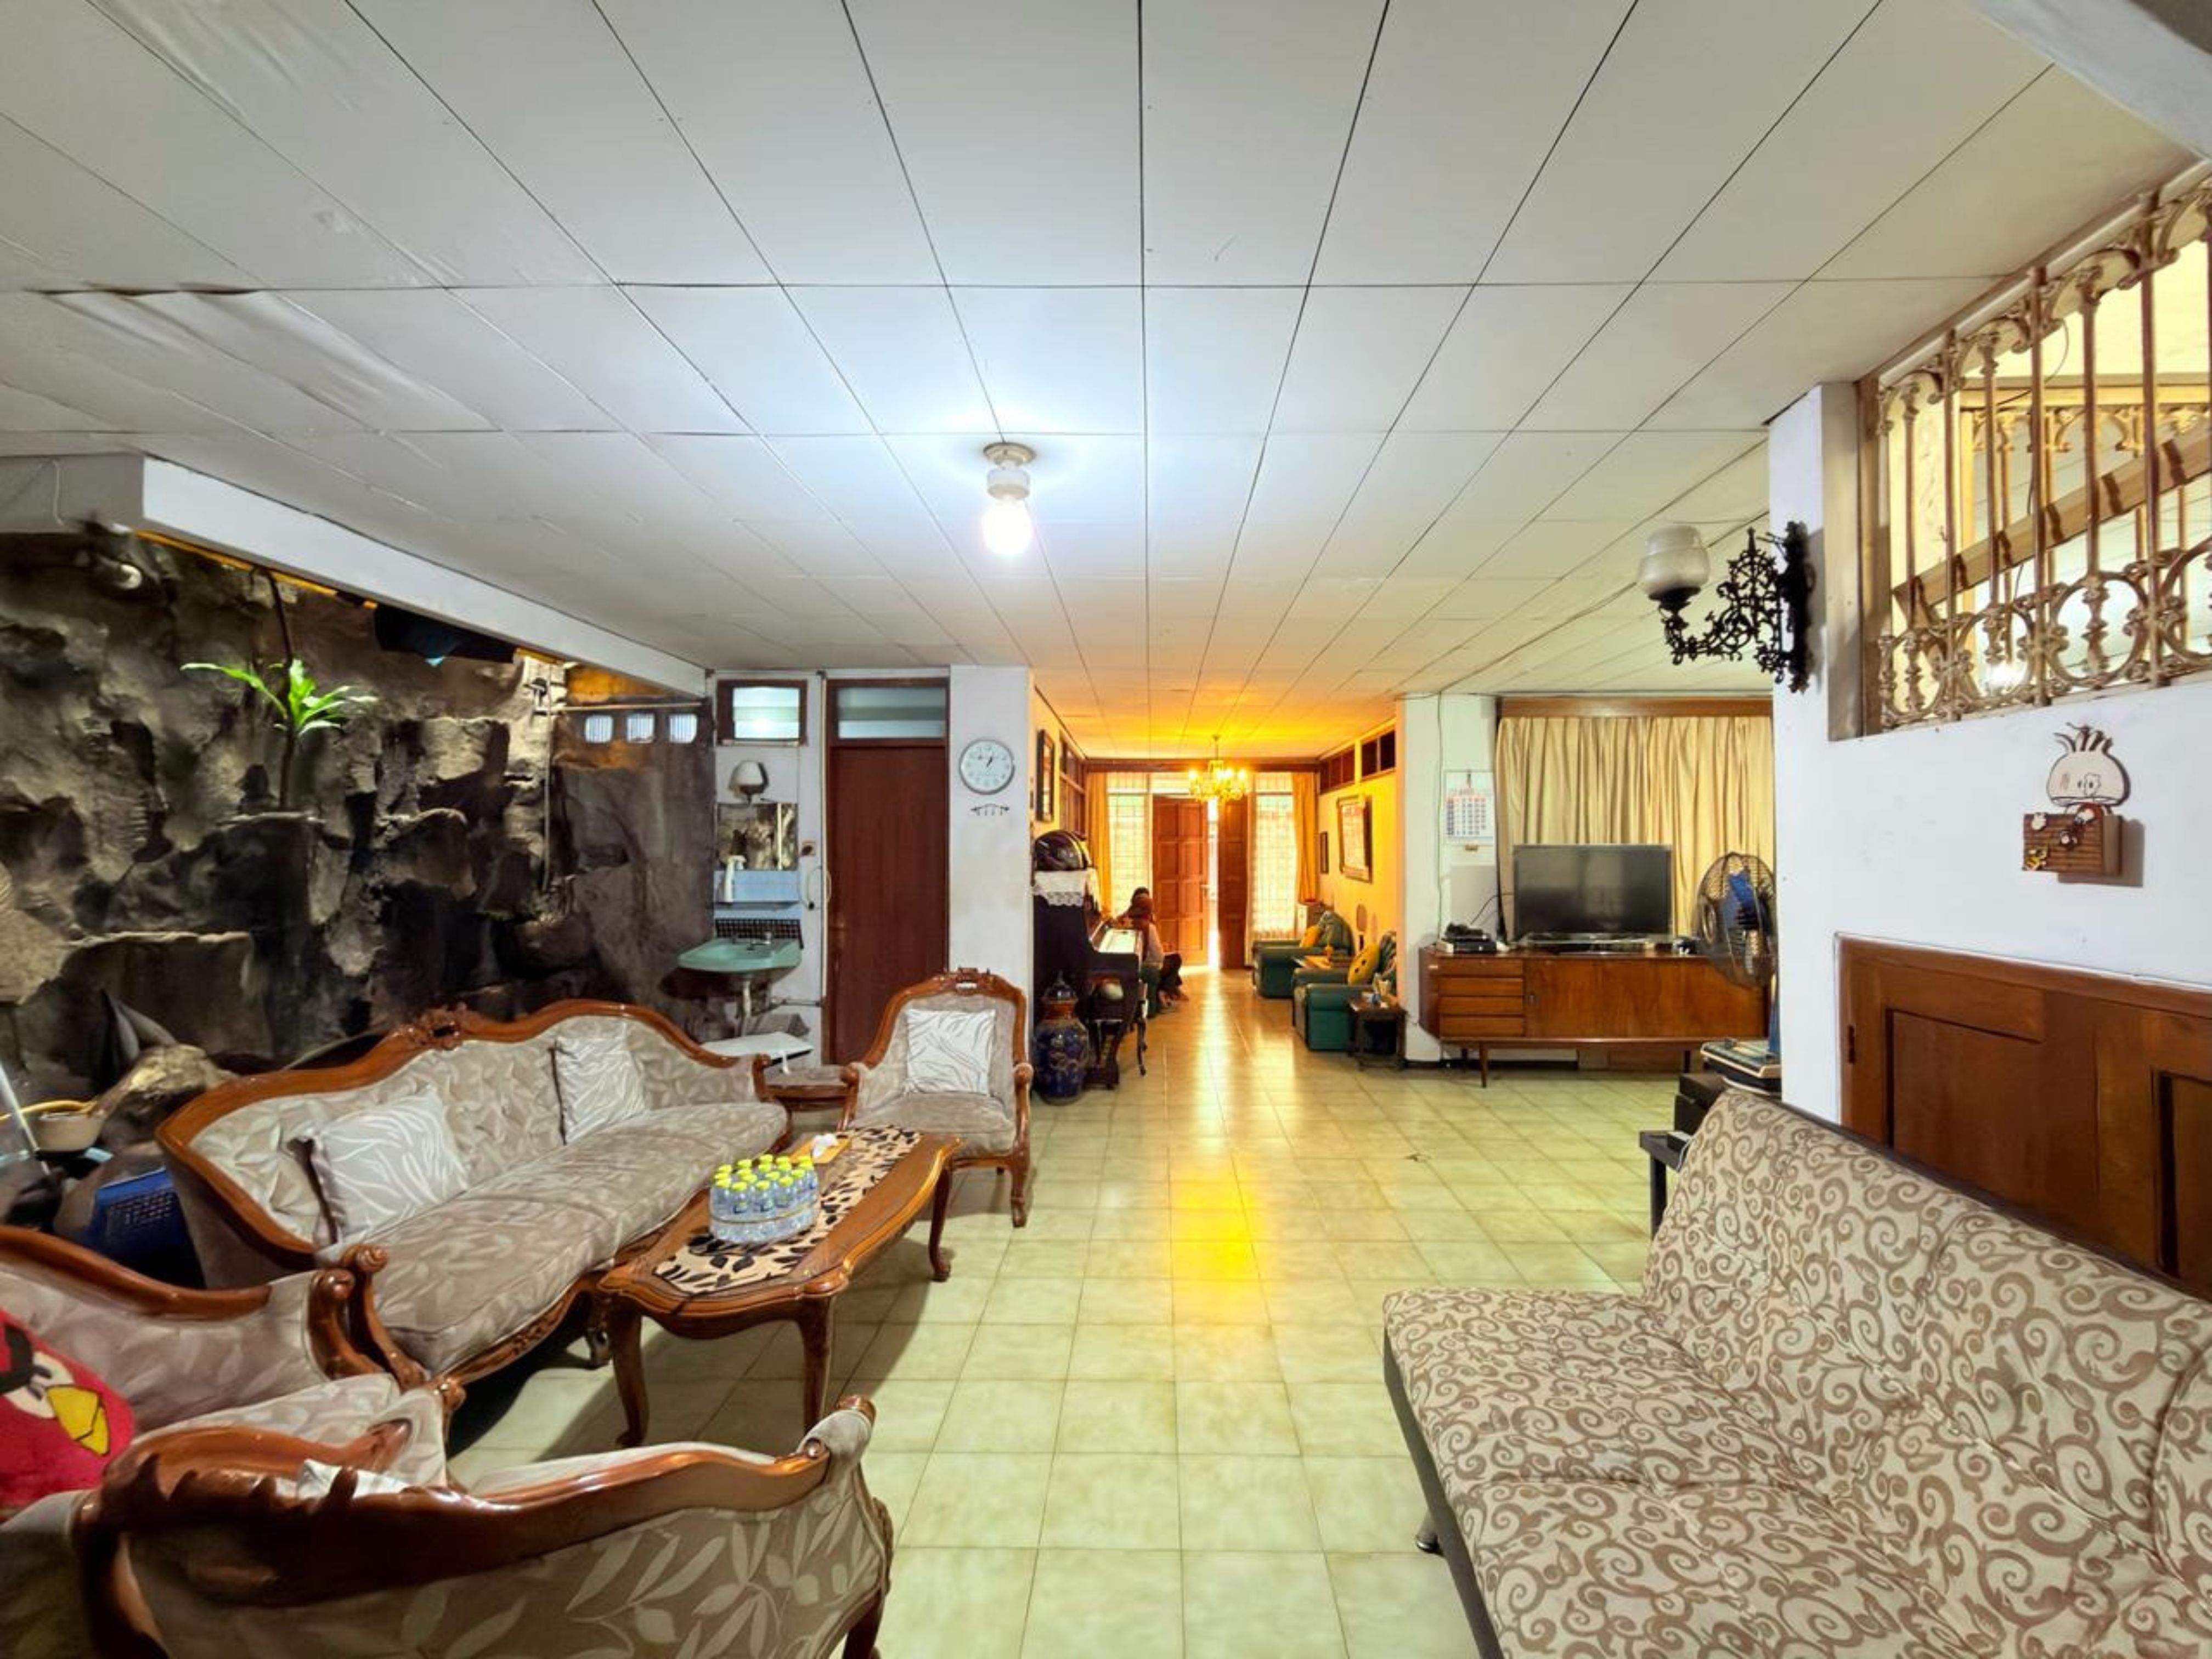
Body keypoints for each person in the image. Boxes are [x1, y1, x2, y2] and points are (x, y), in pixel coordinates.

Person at [1113, 888, 1184, 1010]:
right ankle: (1164, 994)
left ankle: (1167, 993)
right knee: (1175, 959)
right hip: (1145, 964)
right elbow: (1159, 957)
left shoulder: (1122, 921)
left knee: (1170, 961)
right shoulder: (1148, 926)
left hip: (1126, 963)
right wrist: (1163, 949)